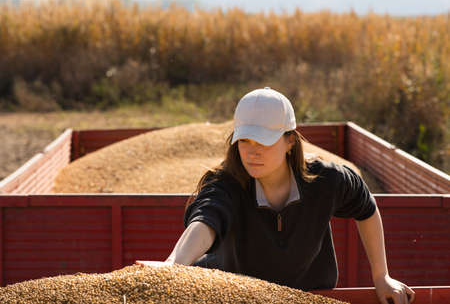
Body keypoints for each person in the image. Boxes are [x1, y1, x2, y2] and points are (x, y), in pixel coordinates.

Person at [138, 87, 415, 304]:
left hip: (311, 294)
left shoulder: (326, 180)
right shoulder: (226, 185)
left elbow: (365, 207)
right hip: (235, 297)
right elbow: (205, 221)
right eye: (245, 140)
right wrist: (173, 265)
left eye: (264, 142)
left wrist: (382, 276)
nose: (252, 152)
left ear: (289, 141)